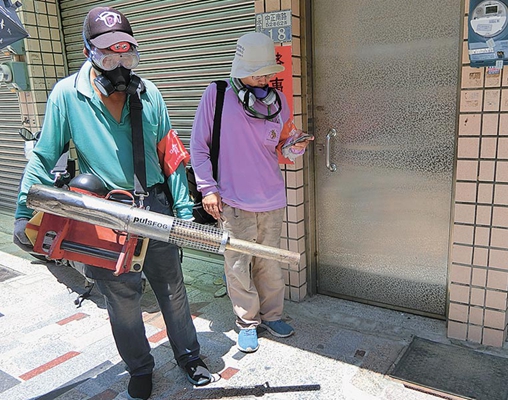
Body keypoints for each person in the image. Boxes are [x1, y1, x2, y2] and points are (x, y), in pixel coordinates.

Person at [12, 6, 218, 399]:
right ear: (88, 52)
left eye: (126, 54)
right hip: (105, 213)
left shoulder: (149, 92)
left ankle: (189, 356)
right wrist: (24, 210)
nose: (119, 64)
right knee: (122, 300)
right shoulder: (67, 95)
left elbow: (171, 155)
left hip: (155, 206)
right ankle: (140, 368)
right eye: (108, 55)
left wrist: (183, 212)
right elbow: (44, 154)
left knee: (172, 288)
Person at [190, 32, 311, 353]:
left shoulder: (279, 100)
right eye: (257, 71)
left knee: (269, 263)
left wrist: (294, 146)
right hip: (233, 200)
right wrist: (208, 188)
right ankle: (247, 321)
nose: (264, 78)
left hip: (272, 198)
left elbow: (281, 146)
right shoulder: (217, 94)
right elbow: (199, 147)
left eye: (268, 71)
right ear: (240, 66)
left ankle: (273, 315)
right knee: (238, 264)